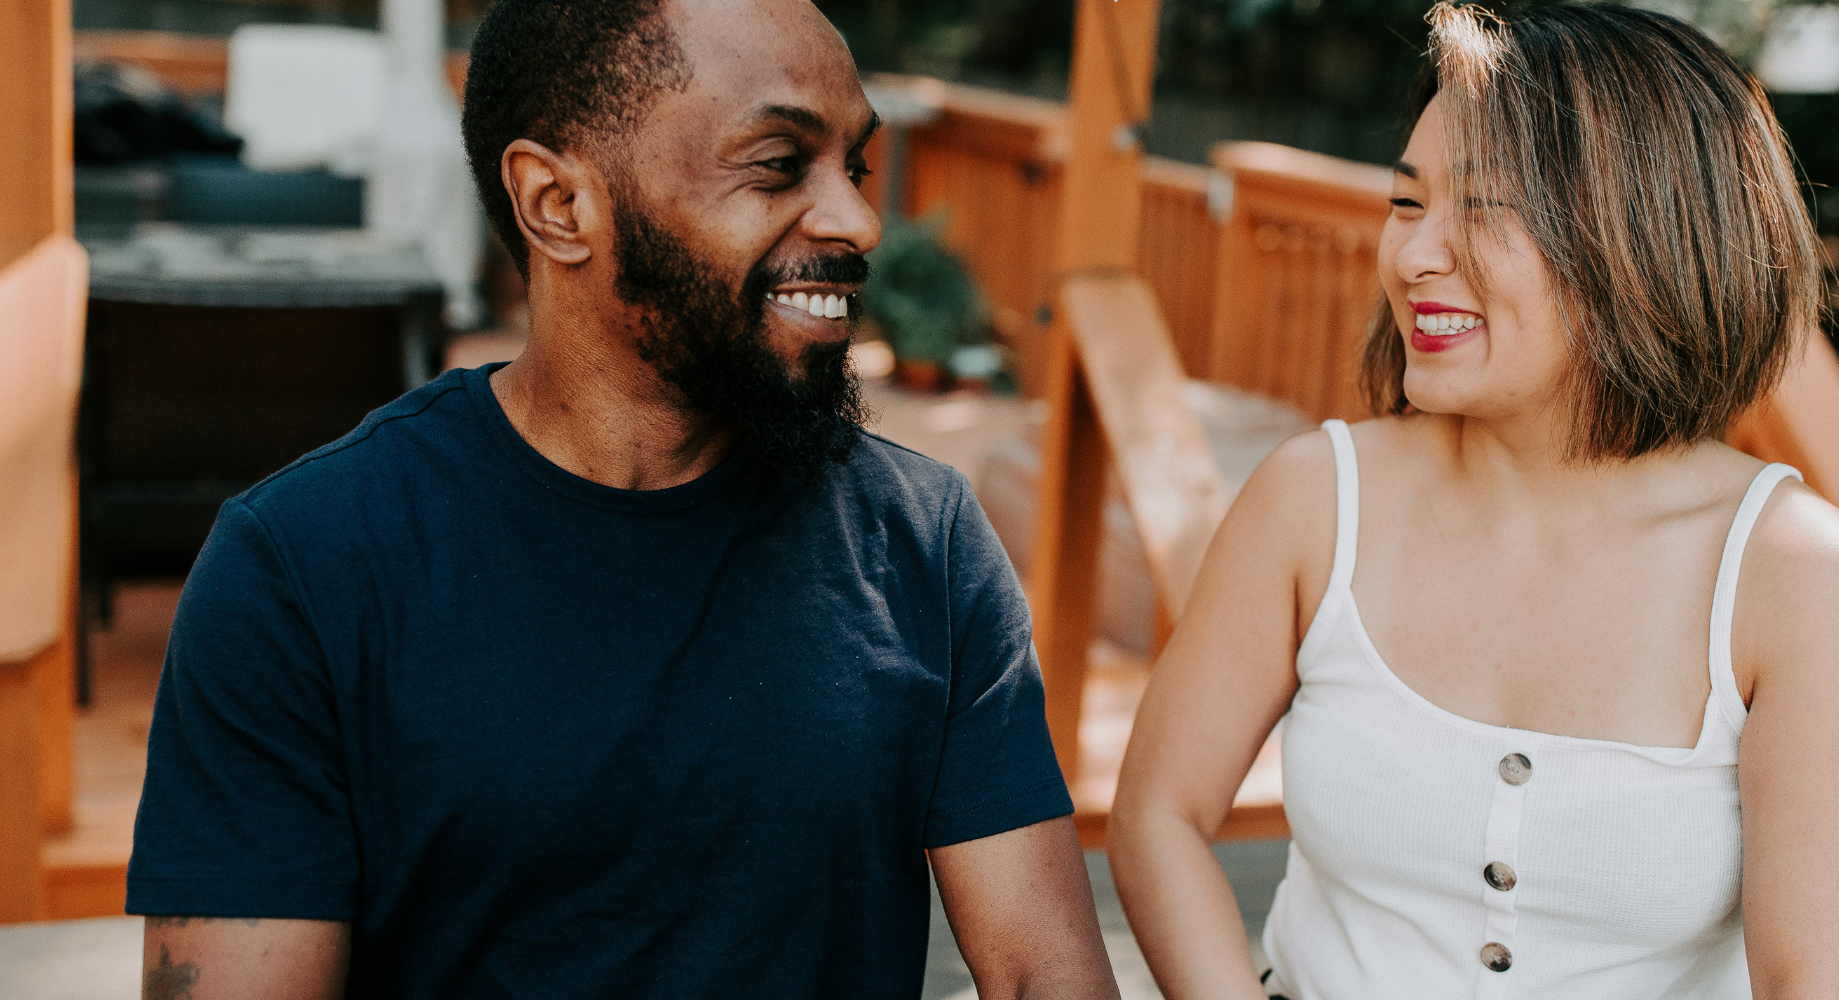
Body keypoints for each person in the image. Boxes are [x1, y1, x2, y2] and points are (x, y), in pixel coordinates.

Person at [125, 1, 1120, 997]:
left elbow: (1045, 974)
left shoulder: (925, 540)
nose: (858, 220)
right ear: (558, 204)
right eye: (777, 164)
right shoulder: (302, 566)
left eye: (852, 165)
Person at [1107, 4, 1839, 999]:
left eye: (1484, 208)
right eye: (1405, 203)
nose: (1411, 257)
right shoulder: (1314, 498)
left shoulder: (1802, 579)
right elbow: (1157, 813)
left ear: (1642, 238)